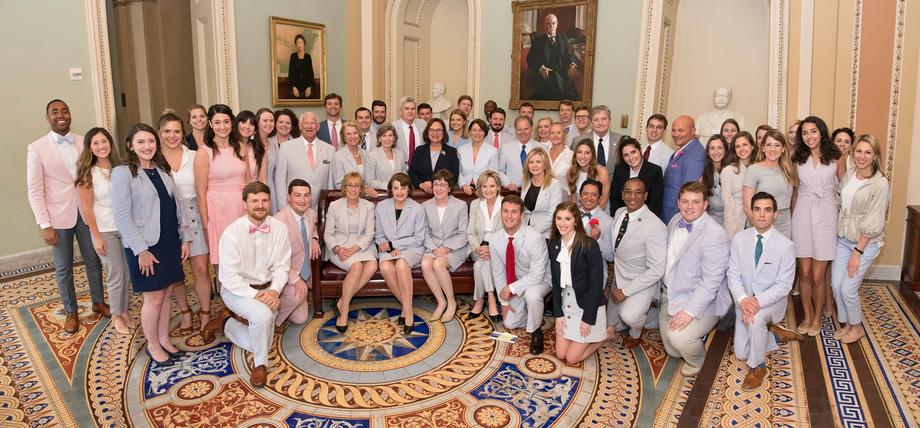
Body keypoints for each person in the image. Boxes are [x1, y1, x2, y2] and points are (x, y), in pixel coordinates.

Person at [111, 123, 190, 368]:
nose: (147, 146)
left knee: (167, 295)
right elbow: (122, 216)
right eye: (141, 142)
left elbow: (177, 203)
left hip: (169, 240)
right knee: (154, 297)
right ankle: (152, 345)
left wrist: (184, 238)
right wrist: (141, 251)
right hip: (146, 245)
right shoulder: (123, 173)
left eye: (151, 141)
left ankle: (164, 339)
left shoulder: (162, 168)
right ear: (130, 145)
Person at [27, 99, 108, 334]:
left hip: (85, 212)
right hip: (58, 217)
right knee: (64, 268)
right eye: (55, 112)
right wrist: (44, 223)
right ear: (48, 118)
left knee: (94, 260)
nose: (60, 115)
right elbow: (34, 190)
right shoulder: (37, 148)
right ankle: (71, 312)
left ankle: (98, 302)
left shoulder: (84, 142)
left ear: (70, 114)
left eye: (64, 111)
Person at [204, 182, 291, 388]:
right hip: (238, 290)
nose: (260, 205)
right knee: (263, 316)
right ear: (245, 204)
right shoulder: (232, 233)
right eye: (254, 201)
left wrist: (274, 290)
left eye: (264, 200)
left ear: (269, 203)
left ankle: (225, 324)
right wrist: (258, 296)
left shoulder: (279, 229)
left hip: (268, 289)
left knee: (262, 335)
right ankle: (260, 364)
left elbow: (282, 267)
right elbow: (229, 278)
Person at [727, 192, 803, 390]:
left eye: (767, 210)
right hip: (744, 302)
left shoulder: (786, 246)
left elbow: (784, 286)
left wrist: (755, 303)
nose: (762, 215)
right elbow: (733, 275)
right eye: (757, 209)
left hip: (771, 302)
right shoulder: (738, 239)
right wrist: (744, 300)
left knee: (756, 319)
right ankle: (776, 335)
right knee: (741, 353)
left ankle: (758, 366)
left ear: (775, 214)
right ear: (751, 213)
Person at [660, 182, 731, 376]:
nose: (689, 206)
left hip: (705, 301)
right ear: (678, 203)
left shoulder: (715, 234)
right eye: (685, 201)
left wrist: (689, 312)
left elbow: (710, 283)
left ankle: (699, 361)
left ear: (705, 204)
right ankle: (692, 333)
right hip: (673, 292)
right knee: (672, 350)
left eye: (695, 202)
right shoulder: (675, 220)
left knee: (679, 338)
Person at [831, 134, 889, 344]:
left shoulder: (880, 183)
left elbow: (874, 222)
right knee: (836, 286)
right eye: (859, 151)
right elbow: (839, 202)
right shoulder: (850, 174)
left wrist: (858, 252)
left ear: (875, 156)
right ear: (853, 153)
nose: (862, 156)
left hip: (865, 244)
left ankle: (857, 327)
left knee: (848, 287)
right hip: (843, 239)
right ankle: (847, 324)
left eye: (868, 152)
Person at [75, 127, 133, 334]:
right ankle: (116, 315)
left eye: (104, 141)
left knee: (126, 273)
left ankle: (124, 310)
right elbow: (87, 209)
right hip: (105, 231)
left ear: (110, 143)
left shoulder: (121, 168)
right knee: (115, 275)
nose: (101, 146)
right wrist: (96, 237)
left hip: (125, 228)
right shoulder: (87, 173)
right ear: (89, 148)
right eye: (96, 143)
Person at [792, 116, 845, 336]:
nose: (809, 136)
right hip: (803, 215)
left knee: (817, 275)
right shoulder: (797, 158)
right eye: (804, 133)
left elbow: (844, 191)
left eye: (813, 131)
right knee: (803, 273)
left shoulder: (836, 158)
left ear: (821, 132)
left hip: (826, 216)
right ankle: (806, 314)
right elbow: (795, 192)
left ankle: (817, 318)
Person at [159, 112, 211, 336]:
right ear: (160, 133)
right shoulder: (154, 158)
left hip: (194, 214)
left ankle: (206, 313)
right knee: (176, 272)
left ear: (183, 133)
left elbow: (203, 188)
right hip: (168, 218)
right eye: (167, 131)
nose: (172, 136)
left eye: (177, 131)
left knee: (200, 268)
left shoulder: (195, 155)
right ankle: (186, 310)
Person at [194, 104, 256, 270]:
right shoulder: (203, 153)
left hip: (241, 209)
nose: (222, 126)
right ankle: (225, 295)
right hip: (218, 211)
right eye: (218, 122)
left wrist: (254, 211)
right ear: (211, 124)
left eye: (226, 122)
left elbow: (249, 181)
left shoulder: (242, 148)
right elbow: (200, 192)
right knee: (224, 262)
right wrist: (205, 224)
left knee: (245, 259)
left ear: (232, 123)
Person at [607, 178, 666, 348]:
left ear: (645, 196)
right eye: (628, 192)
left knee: (629, 317)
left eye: (638, 192)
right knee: (609, 326)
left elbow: (656, 270)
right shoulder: (619, 213)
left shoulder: (656, 226)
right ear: (622, 194)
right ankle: (641, 310)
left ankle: (637, 331)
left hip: (642, 281)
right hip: (619, 275)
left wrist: (625, 291)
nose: (633, 196)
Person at [491, 195, 551, 355]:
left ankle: (536, 332)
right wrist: (504, 302)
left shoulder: (535, 238)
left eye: (514, 212)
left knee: (532, 295)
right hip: (516, 281)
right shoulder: (495, 239)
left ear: (522, 216)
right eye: (505, 211)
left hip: (541, 280)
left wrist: (511, 288)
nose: (509, 216)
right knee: (510, 323)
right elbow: (498, 272)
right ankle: (534, 312)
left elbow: (537, 275)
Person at [549, 201, 606, 365]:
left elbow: (596, 285)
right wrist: (558, 314)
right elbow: (555, 282)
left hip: (587, 305)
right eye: (559, 218)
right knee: (560, 354)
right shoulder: (554, 244)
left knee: (572, 358)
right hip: (567, 303)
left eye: (567, 219)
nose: (562, 223)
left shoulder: (589, 244)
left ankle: (604, 335)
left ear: (576, 220)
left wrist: (587, 319)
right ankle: (589, 335)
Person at [325, 172, 378, 332]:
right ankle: (345, 312)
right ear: (344, 187)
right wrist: (337, 248)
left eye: (357, 186)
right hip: (340, 246)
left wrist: (355, 248)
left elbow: (370, 234)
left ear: (361, 188)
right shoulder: (334, 206)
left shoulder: (369, 206)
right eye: (350, 185)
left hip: (362, 245)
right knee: (357, 267)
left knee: (372, 266)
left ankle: (342, 301)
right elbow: (328, 234)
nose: (353, 189)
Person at [375, 173, 427, 334]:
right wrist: (389, 247)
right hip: (388, 250)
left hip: (412, 249)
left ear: (409, 189)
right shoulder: (381, 206)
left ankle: (408, 313)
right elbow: (379, 235)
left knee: (402, 265)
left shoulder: (418, 208)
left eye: (403, 188)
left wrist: (395, 244)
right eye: (396, 188)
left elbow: (419, 239)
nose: (399, 192)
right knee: (385, 267)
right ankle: (407, 306)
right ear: (391, 189)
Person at [421, 170, 471, 322]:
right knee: (425, 263)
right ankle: (441, 301)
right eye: (436, 184)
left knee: (438, 264)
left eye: (443, 184)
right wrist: (435, 249)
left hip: (456, 248)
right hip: (434, 246)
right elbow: (424, 233)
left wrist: (447, 248)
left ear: (450, 188)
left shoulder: (460, 205)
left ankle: (451, 302)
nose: (439, 188)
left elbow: (464, 234)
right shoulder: (425, 206)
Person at [273, 179, 319, 329]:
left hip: (304, 272)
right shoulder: (279, 221)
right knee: (298, 294)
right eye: (297, 195)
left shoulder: (311, 213)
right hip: (285, 274)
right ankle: (271, 320)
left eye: (306, 195)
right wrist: (295, 279)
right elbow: (276, 260)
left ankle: (290, 301)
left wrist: (314, 238)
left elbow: (312, 229)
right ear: (289, 197)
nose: (302, 200)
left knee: (301, 318)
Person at [274, 111, 335, 211]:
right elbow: (280, 181)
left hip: (320, 208)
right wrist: (283, 209)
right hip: (293, 207)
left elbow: (330, 183)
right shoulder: (286, 148)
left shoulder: (330, 149)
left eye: (312, 123)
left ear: (318, 127)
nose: (309, 126)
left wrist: (330, 207)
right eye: (306, 123)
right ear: (300, 126)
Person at [742, 129, 797, 239]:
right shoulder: (754, 170)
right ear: (763, 148)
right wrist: (759, 227)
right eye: (769, 145)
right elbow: (747, 206)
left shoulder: (789, 170)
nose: (772, 149)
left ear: (783, 149)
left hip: (785, 224)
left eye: (777, 145)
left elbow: (792, 200)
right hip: (760, 223)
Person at [466, 171, 504, 321]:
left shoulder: (505, 203)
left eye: (492, 186)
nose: (488, 190)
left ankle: (480, 300)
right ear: (480, 188)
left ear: (498, 187)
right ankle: (491, 298)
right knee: (483, 260)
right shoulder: (476, 204)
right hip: (477, 248)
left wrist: (492, 248)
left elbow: (507, 233)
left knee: (479, 266)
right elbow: (470, 233)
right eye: (484, 186)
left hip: (497, 248)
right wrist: (477, 248)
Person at [661, 115, 705, 222]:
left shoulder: (695, 154)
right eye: (674, 130)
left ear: (693, 131)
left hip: (676, 214)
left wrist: (680, 218)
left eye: (681, 130)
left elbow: (689, 190)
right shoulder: (684, 149)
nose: (676, 134)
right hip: (668, 211)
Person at [527, 13, 580, 100]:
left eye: (553, 23)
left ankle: (563, 94)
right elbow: (531, 60)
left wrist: (572, 64)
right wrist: (541, 68)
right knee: (554, 78)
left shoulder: (563, 38)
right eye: (548, 23)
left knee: (560, 77)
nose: (551, 26)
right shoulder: (538, 41)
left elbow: (569, 54)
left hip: (562, 73)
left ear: (557, 24)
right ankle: (565, 94)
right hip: (546, 75)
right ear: (544, 25)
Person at [609, 136, 664, 217]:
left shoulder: (655, 171)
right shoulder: (619, 170)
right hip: (622, 216)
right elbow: (615, 199)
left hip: (645, 219)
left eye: (633, 152)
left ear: (640, 150)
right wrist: (622, 217)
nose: (631, 158)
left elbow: (655, 204)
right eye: (626, 155)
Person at [721, 131, 759, 237]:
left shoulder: (759, 168)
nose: (741, 149)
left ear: (752, 146)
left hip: (758, 222)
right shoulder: (728, 171)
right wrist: (731, 230)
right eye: (737, 146)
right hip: (737, 224)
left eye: (745, 145)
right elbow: (727, 203)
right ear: (734, 150)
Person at [408, 118, 460, 193]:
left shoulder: (451, 152)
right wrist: (421, 185)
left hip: (444, 194)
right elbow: (412, 173)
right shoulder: (419, 150)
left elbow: (454, 176)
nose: (435, 133)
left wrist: (436, 185)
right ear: (427, 132)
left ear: (444, 132)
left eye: (438, 130)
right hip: (421, 195)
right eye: (432, 130)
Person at [521, 149, 565, 238]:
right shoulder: (526, 182)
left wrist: (532, 232)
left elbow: (553, 214)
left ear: (545, 165)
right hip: (524, 231)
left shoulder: (555, 184)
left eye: (538, 162)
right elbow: (523, 210)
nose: (534, 165)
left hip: (545, 234)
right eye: (531, 162)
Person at [331, 121, 377, 196]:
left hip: (367, 199)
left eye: (355, 133)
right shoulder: (338, 156)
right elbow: (339, 184)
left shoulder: (366, 154)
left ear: (359, 135)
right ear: (344, 138)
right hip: (348, 199)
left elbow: (369, 179)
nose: (352, 136)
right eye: (348, 134)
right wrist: (363, 189)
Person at [267, 109, 299, 211]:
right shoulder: (267, 143)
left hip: (292, 192)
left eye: (288, 123)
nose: (284, 125)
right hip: (271, 190)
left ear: (292, 125)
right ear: (275, 124)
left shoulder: (299, 144)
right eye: (281, 122)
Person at [458, 119, 499, 195]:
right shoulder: (461, 149)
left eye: (480, 130)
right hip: (464, 189)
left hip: (485, 190)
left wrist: (483, 187)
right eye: (474, 130)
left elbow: (493, 173)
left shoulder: (493, 150)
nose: (477, 133)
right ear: (470, 132)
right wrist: (463, 185)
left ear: (485, 133)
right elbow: (458, 171)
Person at [567, 140, 610, 209]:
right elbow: (573, 199)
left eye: (587, 153)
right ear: (575, 154)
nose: (582, 156)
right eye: (579, 152)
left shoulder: (602, 171)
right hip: (579, 211)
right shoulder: (571, 171)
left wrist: (590, 217)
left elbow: (603, 201)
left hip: (599, 211)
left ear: (592, 155)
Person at [701, 134, 734, 225]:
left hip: (731, 221)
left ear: (725, 150)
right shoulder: (704, 175)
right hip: (710, 221)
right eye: (712, 148)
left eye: (719, 148)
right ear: (708, 152)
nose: (716, 152)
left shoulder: (732, 172)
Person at [365, 124, 409, 190]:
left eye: (390, 135)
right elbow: (369, 181)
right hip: (381, 195)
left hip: (400, 193)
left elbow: (405, 176)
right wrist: (391, 186)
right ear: (379, 139)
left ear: (394, 138)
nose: (387, 139)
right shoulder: (372, 155)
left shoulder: (401, 154)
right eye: (384, 136)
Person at [236, 110, 268, 185]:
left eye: (251, 124)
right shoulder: (229, 147)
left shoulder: (259, 149)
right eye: (244, 122)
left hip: (253, 193)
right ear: (236, 125)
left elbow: (263, 180)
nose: (247, 127)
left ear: (255, 130)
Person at [391, 96, 426, 165]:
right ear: (401, 111)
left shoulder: (423, 124)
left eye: (413, 109)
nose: (410, 111)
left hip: (420, 167)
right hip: (401, 167)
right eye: (406, 109)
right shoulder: (393, 127)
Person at [288, 34, 315, 99]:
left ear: (304, 44)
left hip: (306, 88)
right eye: (298, 42)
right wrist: (293, 87)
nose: (300, 44)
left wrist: (309, 87)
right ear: (295, 44)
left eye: (301, 42)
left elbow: (311, 74)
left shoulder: (308, 57)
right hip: (295, 88)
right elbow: (290, 73)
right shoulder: (293, 56)